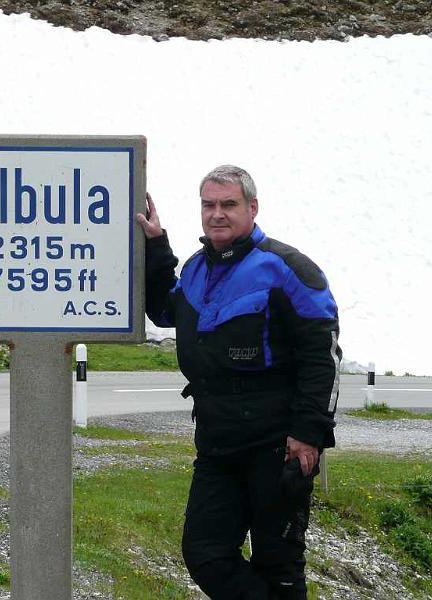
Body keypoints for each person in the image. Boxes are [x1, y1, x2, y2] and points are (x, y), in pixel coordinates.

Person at [136, 165, 341, 600]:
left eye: (228, 204)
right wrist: (156, 246)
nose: (217, 214)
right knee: (205, 553)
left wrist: (309, 434)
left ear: (252, 207)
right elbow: (164, 311)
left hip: (279, 445)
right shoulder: (194, 270)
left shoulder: (288, 268)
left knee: (279, 565)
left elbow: (322, 357)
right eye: (208, 205)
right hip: (217, 443)